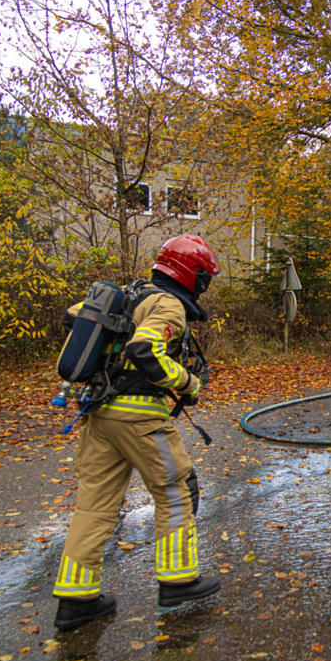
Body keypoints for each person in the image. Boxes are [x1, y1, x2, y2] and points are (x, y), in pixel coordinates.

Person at [52, 235, 222, 631]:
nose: (203, 287)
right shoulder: (168, 304)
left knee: (94, 505)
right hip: (140, 416)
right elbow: (145, 351)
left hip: (99, 414)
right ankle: (179, 581)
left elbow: (73, 317)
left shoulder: (132, 295)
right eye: (203, 278)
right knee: (176, 490)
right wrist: (187, 385)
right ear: (191, 274)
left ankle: (76, 599)